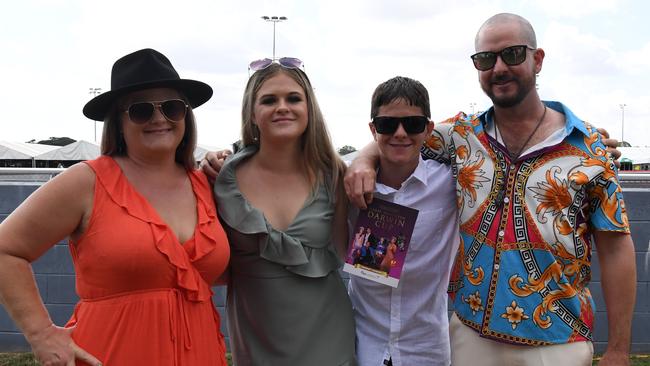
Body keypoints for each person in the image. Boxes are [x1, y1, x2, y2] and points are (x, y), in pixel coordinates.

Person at [345, 13, 636, 366]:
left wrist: (619, 349)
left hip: (557, 342)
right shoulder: (460, 137)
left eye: (512, 54)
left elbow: (617, 247)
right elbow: (397, 138)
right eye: (486, 59)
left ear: (537, 59)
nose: (499, 67)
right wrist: (363, 158)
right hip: (471, 337)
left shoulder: (588, 149)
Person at [0, 48, 230, 365]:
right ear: (118, 121)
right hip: (110, 354)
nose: (159, 118)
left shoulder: (208, 185)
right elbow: (5, 249)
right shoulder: (86, 181)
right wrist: (41, 333)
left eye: (173, 107)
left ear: (186, 115)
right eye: (141, 110)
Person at [212, 59, 357, 365]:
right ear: (252, 113)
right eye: (269, 100)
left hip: (329, 338)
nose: (282, 107)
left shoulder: (334, 174)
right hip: (255, 343)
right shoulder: (221, 178)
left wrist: (368, 158)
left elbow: (363, 259)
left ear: (309, 109)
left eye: (293, 98)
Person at [347, 76, 459, 366]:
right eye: (387, 124)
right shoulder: (348, 183)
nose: (399, 133)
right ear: (373, 129)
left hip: (427, 349)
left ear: (429, 129)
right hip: (362, 346)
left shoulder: (451, 185)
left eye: (412, 124)